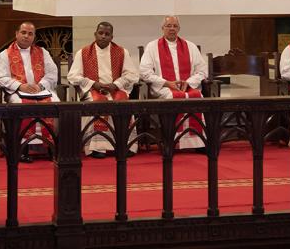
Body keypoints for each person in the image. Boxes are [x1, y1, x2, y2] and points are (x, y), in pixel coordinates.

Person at [67, 22, 139, 158]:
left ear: (112, 36)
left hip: (115, 89)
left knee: (123, 104)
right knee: (97, 103)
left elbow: (132, 75)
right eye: (101, 33)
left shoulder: (121, 51)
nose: (103, 36)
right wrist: (93, 84)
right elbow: (72, 76)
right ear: (95, 34)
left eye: (107, 34)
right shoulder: (83, 52)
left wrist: (116, 84)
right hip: (93, 90)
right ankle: (97, 147)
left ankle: (125, 144)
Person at [0, 21, 60, 162]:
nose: (26, 36)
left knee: (55, 103)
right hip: (18, 92)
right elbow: (0, 77)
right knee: (21, 105)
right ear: (16, 34)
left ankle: (51, 146)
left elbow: (53, 73)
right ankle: (22, 148)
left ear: (34, 36)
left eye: (30, 34)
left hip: (41, 91)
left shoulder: (43, 52)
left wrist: (40, 86)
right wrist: (19, 86)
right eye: (23, 32)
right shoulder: (4, 55)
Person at [139, 15, 206, 150]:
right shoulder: (152, 47)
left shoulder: (190, 46)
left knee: (197, 97)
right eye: (168, 26)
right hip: (163, 88)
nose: (172, 29)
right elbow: (144, 72)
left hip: (187, 86)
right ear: (162, 28)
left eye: (175, 26)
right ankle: (171, 141)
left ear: (179, 29)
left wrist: (188, 82)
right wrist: (166, 83)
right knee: (173, 97)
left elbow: (203, 71)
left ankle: (198, 142)